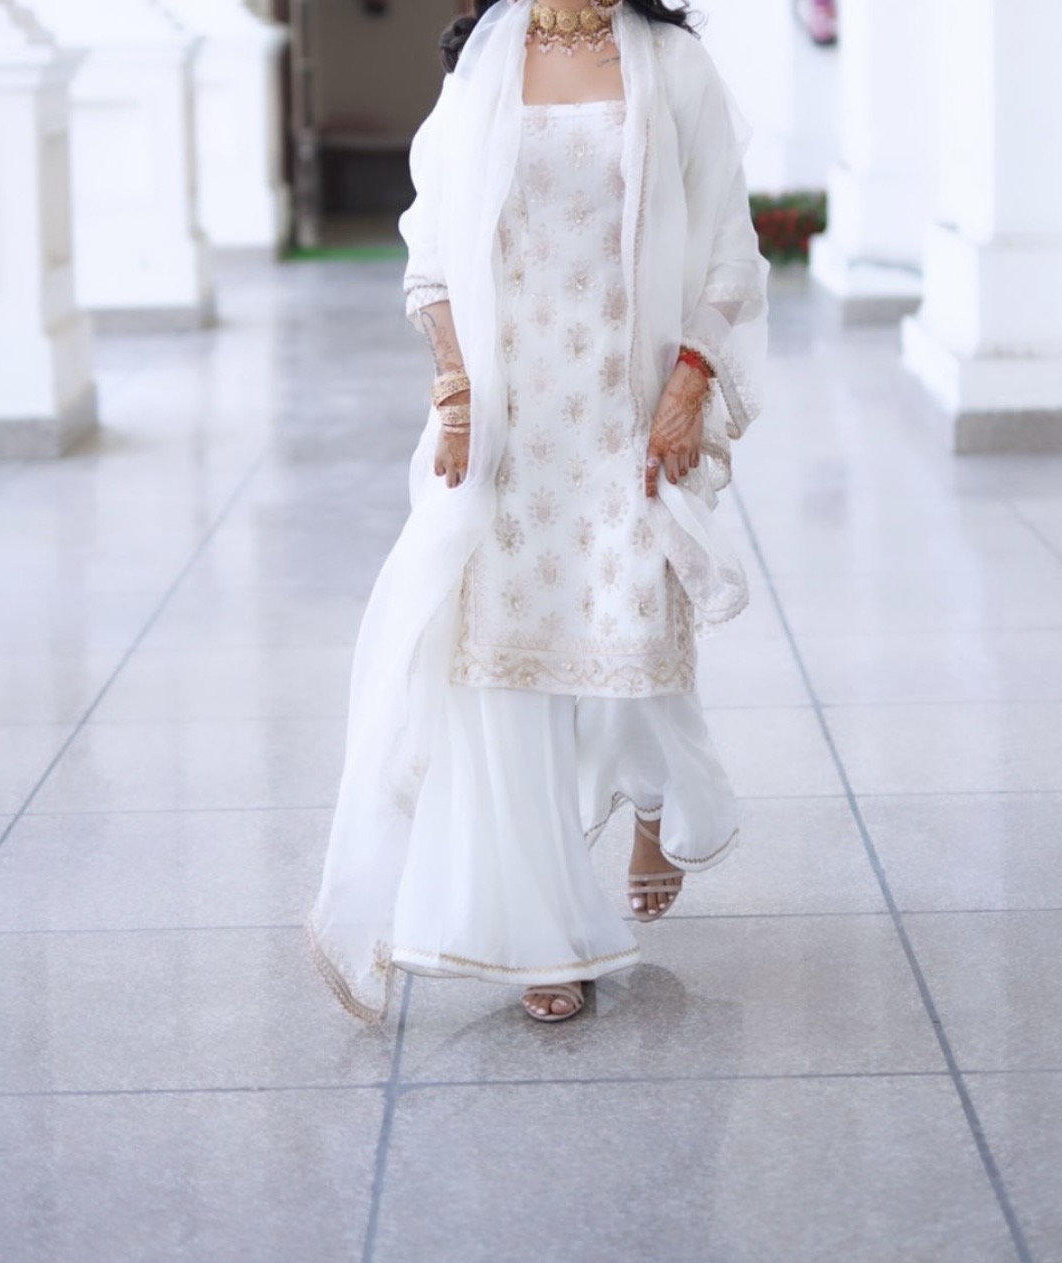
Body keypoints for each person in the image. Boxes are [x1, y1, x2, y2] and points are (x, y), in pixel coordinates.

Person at [309, 0, 769, 1025]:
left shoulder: (673, 66)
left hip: (628, 410)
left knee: (630, 637)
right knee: (507, 665)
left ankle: (652, 797)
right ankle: (542, 933)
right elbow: (431, 252)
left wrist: (689, 384)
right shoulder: (483, 69)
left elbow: (730, 253)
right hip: (511, 428)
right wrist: (456, 394)